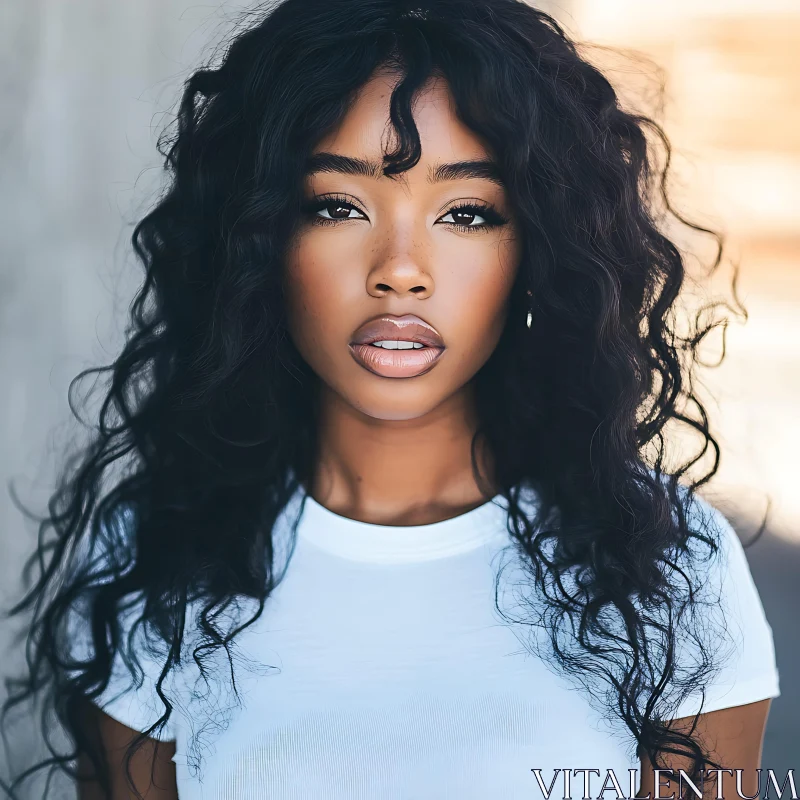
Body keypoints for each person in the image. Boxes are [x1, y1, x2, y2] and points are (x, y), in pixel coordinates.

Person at [1, 0, 780, 798]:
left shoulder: (666, 567)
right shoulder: (156, 561)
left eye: (467, 213)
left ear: (537, 251)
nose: (400, 269)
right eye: (338, 206)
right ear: (260, 242)